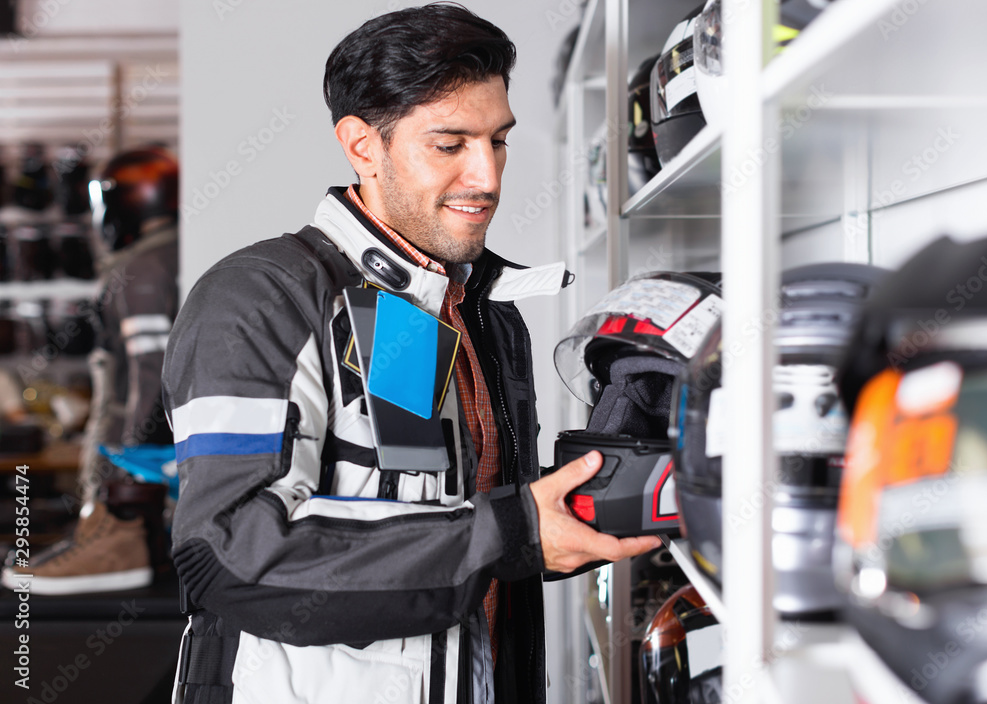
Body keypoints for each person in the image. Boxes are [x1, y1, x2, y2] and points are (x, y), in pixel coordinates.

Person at [164, 5, 659, 703]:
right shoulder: (261, 298)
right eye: (450, 145)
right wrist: (513, 534)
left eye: (499, 141)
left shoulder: (476, 309)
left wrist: (607, 499)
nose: (486, 178)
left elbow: (461, 521)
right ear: (363, 146)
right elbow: (230, 555)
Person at [1, 147, 179, 595]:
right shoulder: (169, 256)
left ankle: (118, 547)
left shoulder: (143, 269)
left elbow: (149, 375)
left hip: (140, 465)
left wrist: (129, 479)